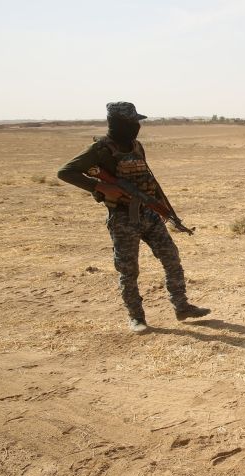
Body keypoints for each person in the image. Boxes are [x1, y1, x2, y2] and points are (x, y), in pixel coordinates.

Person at [57, 102, 209, 334]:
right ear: (119, 123)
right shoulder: (100, 149)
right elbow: (65, 172)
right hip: (122, 217)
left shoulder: (136, 146)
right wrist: (99, 187)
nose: (137, 126)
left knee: (171, 257)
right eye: (132, 122)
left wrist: (162, 207)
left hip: (148, 213)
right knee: (128, 269)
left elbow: (147, 179)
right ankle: (136, 317)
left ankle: (182, 306)